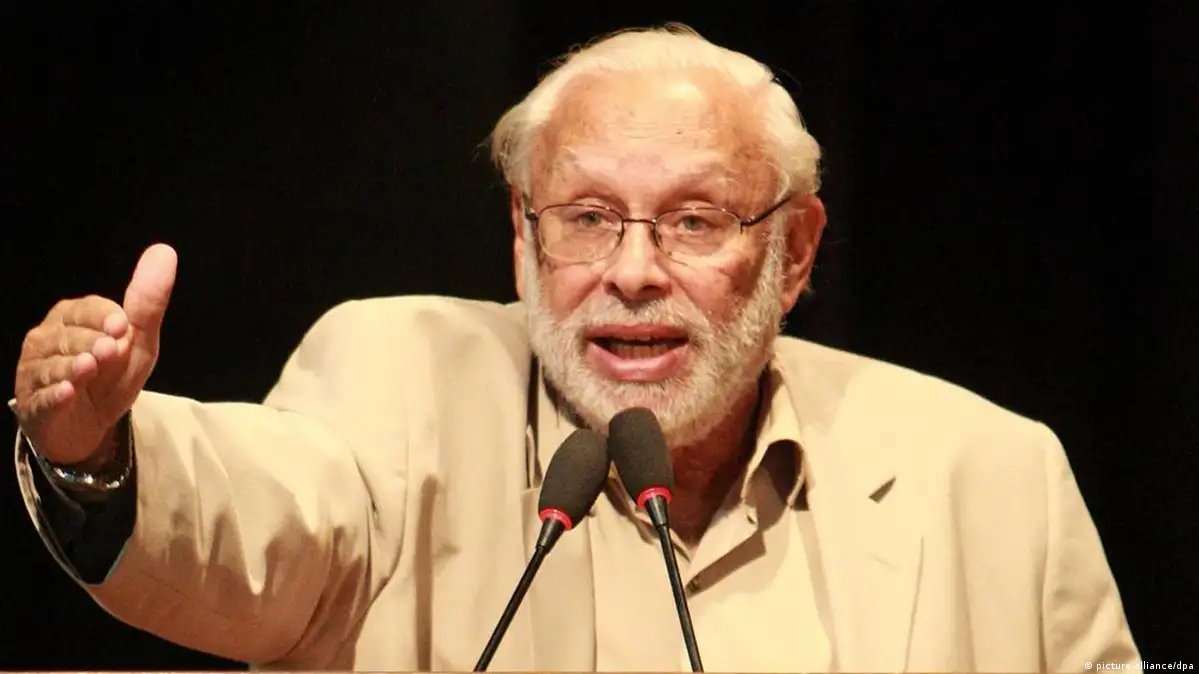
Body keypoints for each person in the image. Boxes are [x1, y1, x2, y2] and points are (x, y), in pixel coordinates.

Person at [11, 24, 1137, 672]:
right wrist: (96, 454)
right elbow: (253, 512)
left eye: (693, 219)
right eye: (587, 217)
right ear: (522, 234)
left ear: (793, 252)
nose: (631, 270)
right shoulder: (397, 377)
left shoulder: (992, 478)